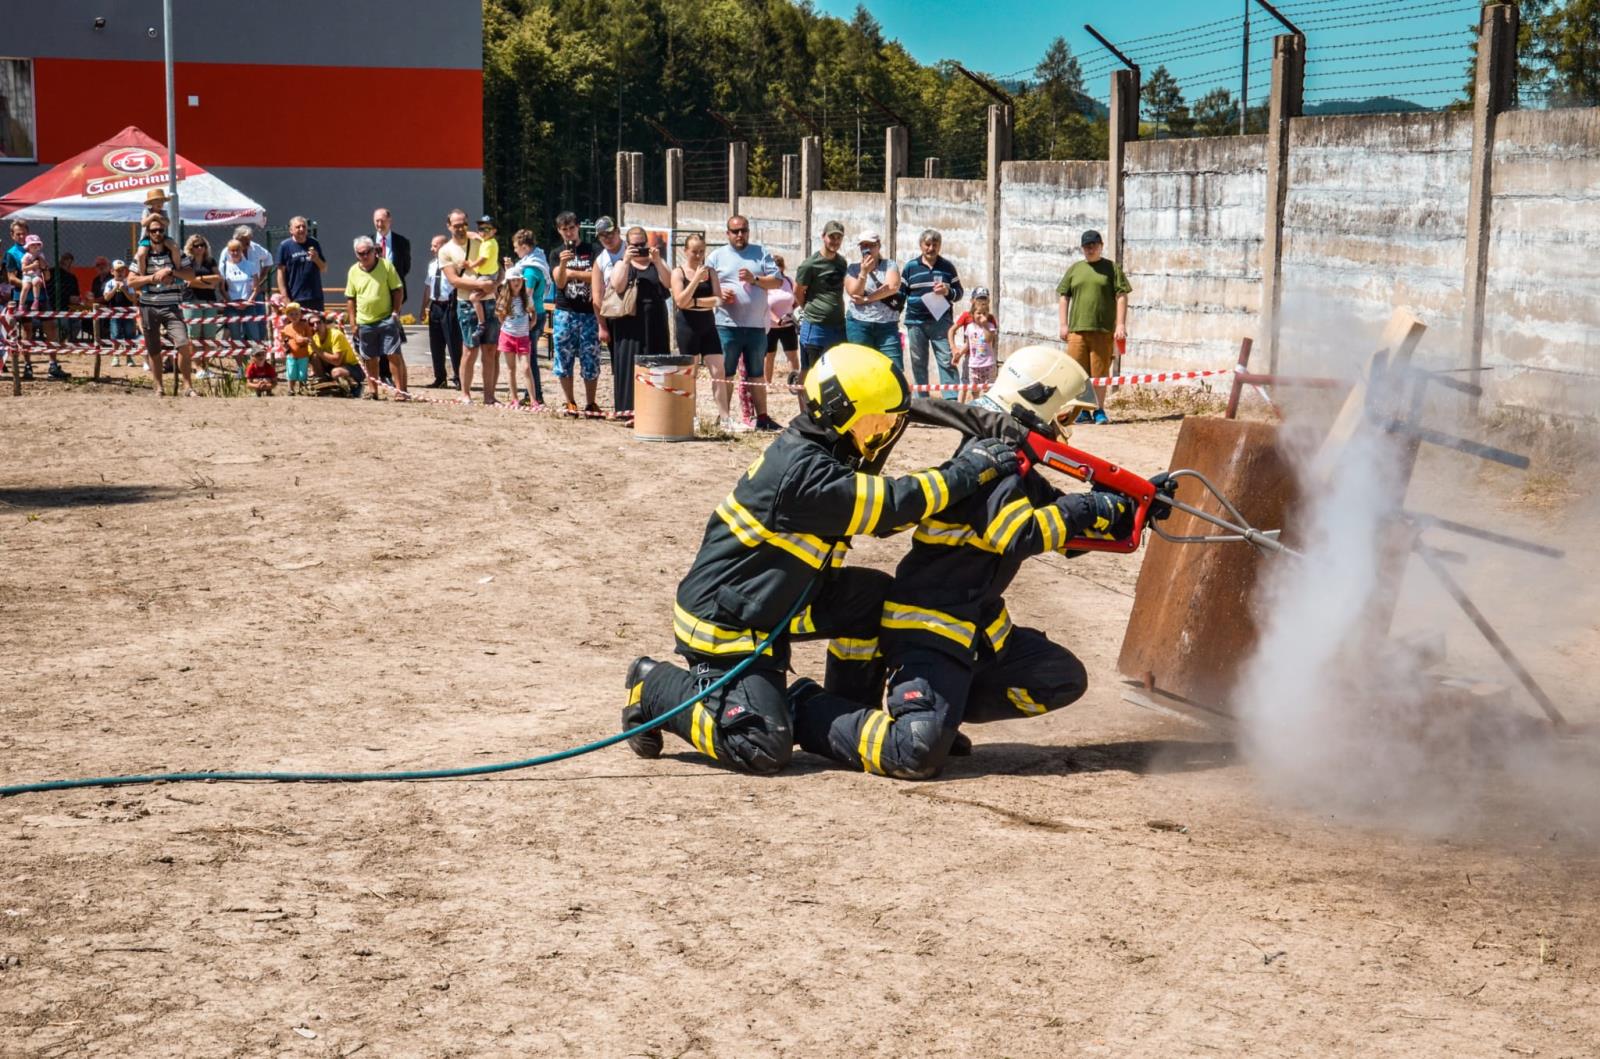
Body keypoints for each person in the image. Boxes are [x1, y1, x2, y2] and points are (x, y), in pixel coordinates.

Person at [619, 343, 1022, 775]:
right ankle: (654, 686)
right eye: (876, 422)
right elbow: (889, 505)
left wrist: (978, 437)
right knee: (761, 744)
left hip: (780, 599)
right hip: (727, 623)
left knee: (878, 601)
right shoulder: (805, 474)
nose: (883, 433)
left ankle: (844, 710)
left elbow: (890, 493)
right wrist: (966, 471)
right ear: (840, 413)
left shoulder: (829, 449)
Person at [786, 345, 1172, 780]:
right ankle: (806, 708)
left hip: (978, 630)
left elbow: (1067, 538)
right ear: (1038, 403)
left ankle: (944, 711)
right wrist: (1089, 507)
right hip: (929, 630)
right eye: (1066, 417)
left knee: (1060, 677)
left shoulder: (1020, 467)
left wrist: (1132, 509)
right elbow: (1017, 535)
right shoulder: (993, 460)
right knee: (916, 752)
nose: (1068, 430)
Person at [708, 214, 781, 432]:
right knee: (726, 372)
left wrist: (755, 279)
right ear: (727, 233)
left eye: (744, 230)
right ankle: (724, 418)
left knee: (756, 373)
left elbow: (777, 281)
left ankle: (763, 418)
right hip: (727, 324)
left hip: (756, 326)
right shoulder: (716, 257)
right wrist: (720, 293)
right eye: (735, 231)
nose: (740, 235)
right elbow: (705, 286)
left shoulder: (761, 253)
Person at [1056, 229, 1131, 425]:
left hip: (1102, 330)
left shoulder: (1111, 269)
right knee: (1078, 373)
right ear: (1082, 248)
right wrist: (1063, 324)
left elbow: (1121, 295)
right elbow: (1064, 296)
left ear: (1101, 246)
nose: (1090, 249)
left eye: (1094, 246)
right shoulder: (1075, 269)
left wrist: (1121, 324)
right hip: (1077, 331)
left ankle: (1099, 410)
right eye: (1087, 246)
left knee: (1100, 373)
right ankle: (1082, 411)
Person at [605, 225, 672, 420]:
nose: (639, 248)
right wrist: (626, 261)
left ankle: (655, 408)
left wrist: (658, 261)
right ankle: (628, 410)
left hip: (655, 321)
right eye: (634, 245)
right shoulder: (621, 263)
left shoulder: (656, 263)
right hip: (629, 322)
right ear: (627, 246)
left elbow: (669, 283)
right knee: (629, 364)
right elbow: (617, 286)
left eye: (642, 244)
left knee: (656, 362)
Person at [128, 213, 198, 396]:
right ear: (148, 233)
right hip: (148, 305)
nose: (157, 233)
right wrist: (153, 277)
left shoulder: (173, 250)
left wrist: (172, 272)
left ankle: (187, 386)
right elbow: (131, 281)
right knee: (154, 348)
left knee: (183, 343)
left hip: (172, 305)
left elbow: (191, 275)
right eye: (154, 230)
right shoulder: (142, 252)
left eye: (160, 230)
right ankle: (158, 387)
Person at [438, 208, 497, 404]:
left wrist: (494, 285)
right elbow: (454, 280)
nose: (461, 228)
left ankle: (489, 396)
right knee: (470, 349)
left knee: (490, 350)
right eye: (456, 225)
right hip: (467, 303)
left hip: (489, 300)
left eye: (463, 224)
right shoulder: (445, 251)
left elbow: (497, 267)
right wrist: (481, 285)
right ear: (448, 227)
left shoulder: (480, 241)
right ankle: (465, 393)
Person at [901, 228, 963, 400]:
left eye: (935, 245)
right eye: (927, 244)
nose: (931, 248)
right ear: (921, 245)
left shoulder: (947, 267)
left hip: (941, 321)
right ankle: (923, 401)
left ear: (939, 246)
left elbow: (959, 293)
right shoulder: (910, 267)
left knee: (946, 360)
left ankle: (951, 402)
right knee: (918, 362)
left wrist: (948, 291)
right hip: (915, 322)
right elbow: (901, 294)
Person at [549, 211, 601, 416]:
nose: (569, 233)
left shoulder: (593, 250)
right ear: (559, 231)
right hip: (565, 311)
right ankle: (569, 400)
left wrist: (574, 273)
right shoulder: (556, 253)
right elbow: (560, 282)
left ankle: (591, 402)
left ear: (578, 227)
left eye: (571, 228)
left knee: (591, 357)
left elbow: (598, 277)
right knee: (563, 357)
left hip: (589, 312)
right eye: (564, 229)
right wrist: (564, 265)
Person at [345, 235, 407, 399]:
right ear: (356, 254)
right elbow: (351, 298)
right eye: (360, 253)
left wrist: (395, 311)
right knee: (370, 358)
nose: (365, 256)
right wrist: (353, 322)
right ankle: (373, 391)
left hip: (386, 318)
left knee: (393, 354)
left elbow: (398, 290)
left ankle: (400, 391)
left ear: (374, 251)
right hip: (365, 321)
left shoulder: (386, 266)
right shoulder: (353, 271)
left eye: (367, 252)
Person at [670, 232, 725, 411]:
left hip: (708, 324)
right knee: (689, 374)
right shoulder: (678, 272)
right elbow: (680, 301)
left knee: (718, 372)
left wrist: (694, 302)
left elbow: (718, 300)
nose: (699, 256)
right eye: (694, 252)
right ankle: (689, 415)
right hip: (688, 326)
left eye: (702, 251)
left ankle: (724, 417)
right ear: (686, 251)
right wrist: (694, 280)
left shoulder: (711, 272)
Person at [843, 230, 903, 368]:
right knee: (861, 368)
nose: (867, 249)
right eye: (863, 246)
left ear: (878, 246)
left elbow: (892, 287)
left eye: (871, 245)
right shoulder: (853, 268)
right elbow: (854, 292)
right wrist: (863, 272)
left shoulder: (889, 265)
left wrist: (866, 299)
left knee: (894, 368)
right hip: (859, 324)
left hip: (886, 325)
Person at [794, 219, 847, 373]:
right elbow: (797, 292)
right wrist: (809, 309)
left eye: (839, 238)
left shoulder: (841, 263)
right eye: (832, 237)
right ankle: (805, 398)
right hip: (816, 326)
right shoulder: (810, 264)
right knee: (810, 370)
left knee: (835, 369)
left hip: (837, 326)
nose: (835, 241)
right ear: (823, 236)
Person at [510, 229, 550, 405]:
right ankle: (533, 393)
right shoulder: (537, 261)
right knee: (528, 356)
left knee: (528, 358)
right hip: (538, 313)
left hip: (531, 315)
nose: (515, 251)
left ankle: (535, 394)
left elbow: (526, 295)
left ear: (525, 247)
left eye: (516, 247)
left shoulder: (531, 271)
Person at [421, 233, 461, 388]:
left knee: (453, 343)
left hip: (450, 305)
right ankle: (440, 377)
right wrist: (423, 307)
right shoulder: (432, 264)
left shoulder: (454, 264)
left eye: (435, 245)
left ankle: (459, 377)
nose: (432, 249)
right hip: (435, 306)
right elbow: (428, 287)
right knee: (435, 344)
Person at [180, 235, 224, 369]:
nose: (200, 248)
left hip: (209, 300)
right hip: (192, 300)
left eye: (202, 245)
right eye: (196, 245)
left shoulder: (210, 261)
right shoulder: (186, 262)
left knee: (210, 334)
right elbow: (187, 281)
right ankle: (197, 365)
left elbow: (218, 278)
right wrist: (207, 284)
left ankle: (205, 364)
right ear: (190, 247)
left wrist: (198, 279)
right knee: (194, 334)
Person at [495, 263, 534, 406]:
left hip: (523, 337)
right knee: (511, 368)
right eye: (513, 280)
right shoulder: (504, 299)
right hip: (508, 336)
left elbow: (533, 312)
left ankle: (533, 399)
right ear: (508, 283)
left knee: (526, 367)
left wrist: (531, 324)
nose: (516, 282)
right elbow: (500, 317)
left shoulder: (527, 298)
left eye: (518, 280)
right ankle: (514, 398)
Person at [950, 286, 999, 400]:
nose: (981, 315)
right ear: (972, 301)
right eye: (978, 300)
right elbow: (967, 343)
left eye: (984, 300)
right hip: (971, 360)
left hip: (987, 362)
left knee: (988, 389)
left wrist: (986, 324)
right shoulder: (968, 320)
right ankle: (962, 409)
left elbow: (989, 339)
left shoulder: (990, 320)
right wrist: (957, 352)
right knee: (967, 385)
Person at [765, 253, 800, 404]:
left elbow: (796, 299)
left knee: (792, 355)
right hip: (771, 326)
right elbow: (765, 305)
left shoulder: (788, 281)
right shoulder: (766, 283)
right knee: (769, 355)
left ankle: (794, 382)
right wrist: (777, 320)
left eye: (778, 266)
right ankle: (767, 383)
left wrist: (790, 314)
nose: (776, 270)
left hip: (788, 325)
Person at [275, 216, 328, 312]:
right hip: (295, 296)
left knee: (316, 326)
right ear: (291, 230)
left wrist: (316, 259)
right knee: (297, 326)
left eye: (304, 227)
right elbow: (280, 274)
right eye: (298, 227)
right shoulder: (285, 246)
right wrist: (284, 296)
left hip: (315, 296)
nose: (301, 229)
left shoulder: (314, 243)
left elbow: (324, 268)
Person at [219, 239, 266, 345]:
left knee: (254, 335)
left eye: (237, 250)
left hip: (248, 304)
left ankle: (255, 360)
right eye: (232, 250)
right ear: (228, 251)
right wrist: (231, 302)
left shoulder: (250, 265)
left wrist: (248, 302)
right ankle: (239, 361)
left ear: (241, 250)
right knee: (236, 338)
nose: (235, 253)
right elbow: (222, 289)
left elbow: (256, 288)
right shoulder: (224, 267)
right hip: (232, 305)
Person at [309, 312, 365, 394]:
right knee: (314, 356)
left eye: (318, 322)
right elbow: (312, 361)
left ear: (325, 323)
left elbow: (337, 361)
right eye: (312, 324)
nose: (315, 326)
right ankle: (325, 383)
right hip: (330, 367)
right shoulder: (314, 339)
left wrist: (317, 350)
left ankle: (355, 386)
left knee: (336, 372)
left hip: (352, 367)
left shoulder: (336, 335)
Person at [372, 207, 411, 310]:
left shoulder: (402, 242)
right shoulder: (367, 241)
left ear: (390, 221)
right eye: (377, 221)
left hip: (394, 291)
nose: (379, 224)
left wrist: (391, 279)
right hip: (373, 290)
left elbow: (405, 267)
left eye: (382, 221)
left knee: (392, 323)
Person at [102, 260, 138, 364]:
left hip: (128, 314)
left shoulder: (128, 283)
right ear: (112, 271)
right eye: (118, 270)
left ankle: (129, 357)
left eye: (122, 270)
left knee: (129, 334)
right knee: (115, 334)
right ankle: (116, 356)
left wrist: (124, 289)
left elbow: (132, 299)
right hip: (115, 314)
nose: (120, 272)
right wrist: (115, 289)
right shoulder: (109, 283)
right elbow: (107, 298)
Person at [278, 302, 315, 394]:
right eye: (291, 314)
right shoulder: (286, 328)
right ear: (287, 316)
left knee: (302, 374)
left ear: (300, 314)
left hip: (303, 355)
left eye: (296, 314)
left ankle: (302, 388)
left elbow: (311, 338)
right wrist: (284, 344)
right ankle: (291, 389)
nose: (294, 316)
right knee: (291, 373)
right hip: (291, 355)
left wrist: (304, 339)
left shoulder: (305, 325)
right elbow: (284, 341)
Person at [47, 251, 83, 344]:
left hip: (70, 307)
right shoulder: (51, 273)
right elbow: (50, 293)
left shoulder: (72, 277)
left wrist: (77, 299)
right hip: (53, 307)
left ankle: (68, 341)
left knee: (80, 318)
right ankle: (62, 341)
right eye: (64, 259)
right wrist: (68, 298)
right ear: (60, 260)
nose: (65, 262)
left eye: (68, 260)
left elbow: (76, 295)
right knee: (64, 322)